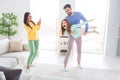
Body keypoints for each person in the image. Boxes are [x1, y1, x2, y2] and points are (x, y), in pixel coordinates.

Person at [63, 4, 93, 71]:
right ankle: (65, 66)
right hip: (71, 35)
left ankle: (79, 64)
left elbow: (85, 22)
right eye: (66, 11)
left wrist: (86, 30)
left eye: (68, 10)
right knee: (69, 51)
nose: (67, 12)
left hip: (78, 35)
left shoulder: (78, 14)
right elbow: (66, 28)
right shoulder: (66, 18)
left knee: (79, 50)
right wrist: (69, 32)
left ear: (71, 8)